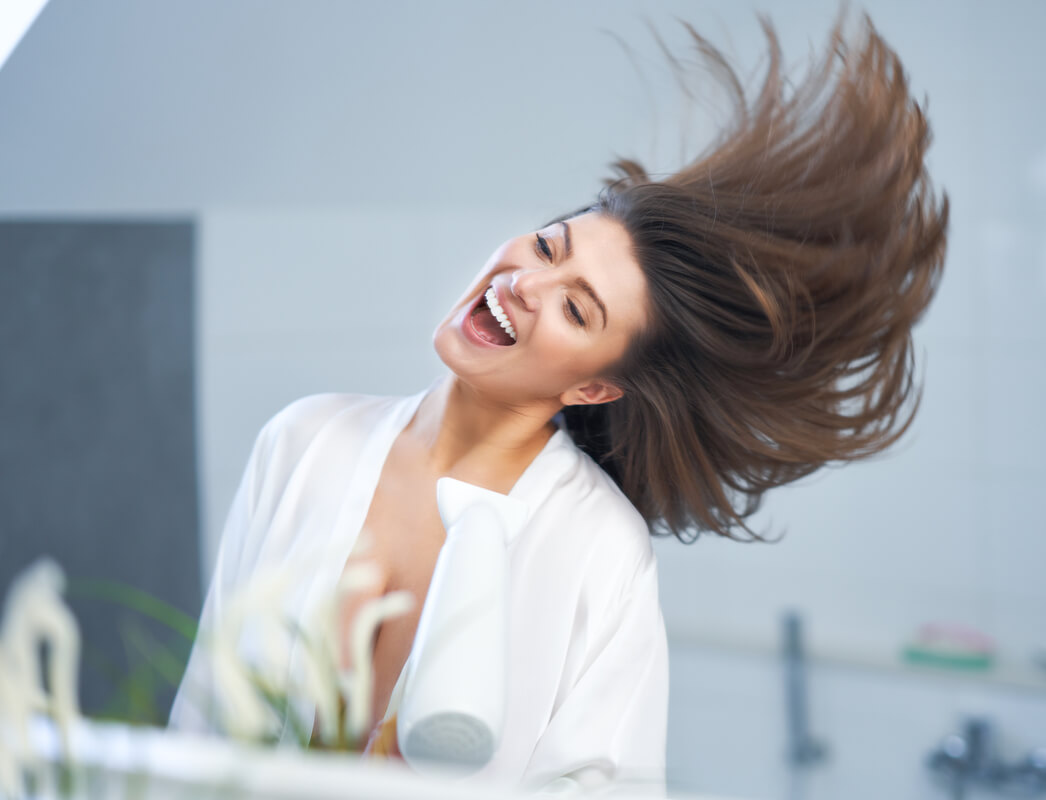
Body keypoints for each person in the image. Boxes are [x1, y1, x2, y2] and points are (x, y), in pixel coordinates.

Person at [169, 7, 949, 795]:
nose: (527, 284)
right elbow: (196, 729)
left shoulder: (596, 551)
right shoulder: (306, 443)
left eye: (578, 309)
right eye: (549, 246)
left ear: (594, 386)